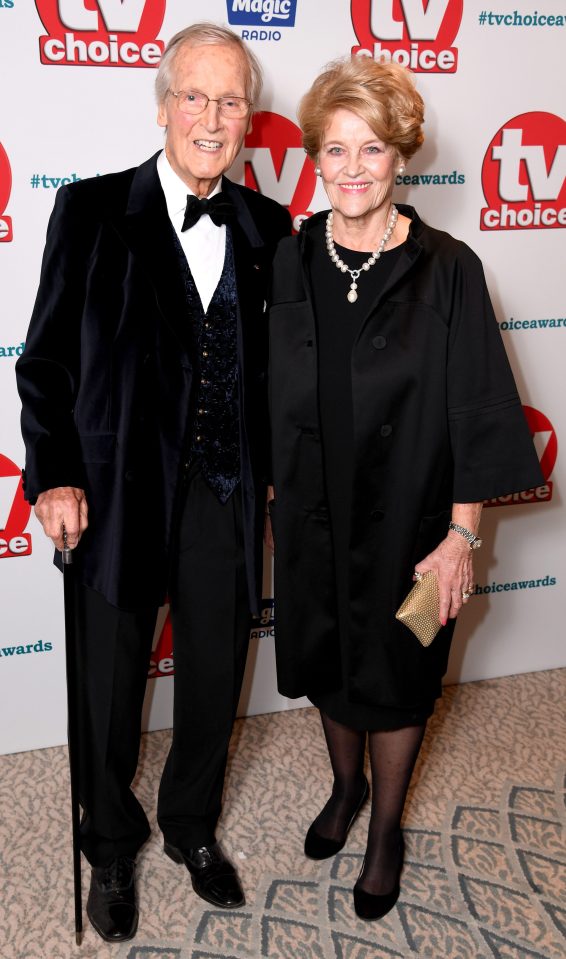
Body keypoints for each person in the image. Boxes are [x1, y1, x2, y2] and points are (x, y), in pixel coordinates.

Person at [16, 22, 291, 943]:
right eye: (195, 97)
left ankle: (191, 827)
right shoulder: (92, 211)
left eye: (231, 101)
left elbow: (279, 374)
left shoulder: (267, 225)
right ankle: (109, 842)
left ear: (249, 118)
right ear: (165, 104)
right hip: (114, 491)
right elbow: (46, 360)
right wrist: (52, 476)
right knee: (108, 688)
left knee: (216, 673)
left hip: (223, 489)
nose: (212, 118)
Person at [268, 57, 542, 922]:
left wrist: (462, 537)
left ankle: (386, 825)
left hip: (415, 524)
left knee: (399, 669)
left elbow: (477, 404)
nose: (353, 168)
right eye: (336, 149)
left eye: (373, 149)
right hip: (314, 514)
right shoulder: (288, 258)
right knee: (328, 659)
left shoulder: (448, 266)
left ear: (401, 158)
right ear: (316, 156)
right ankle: (344, 787)